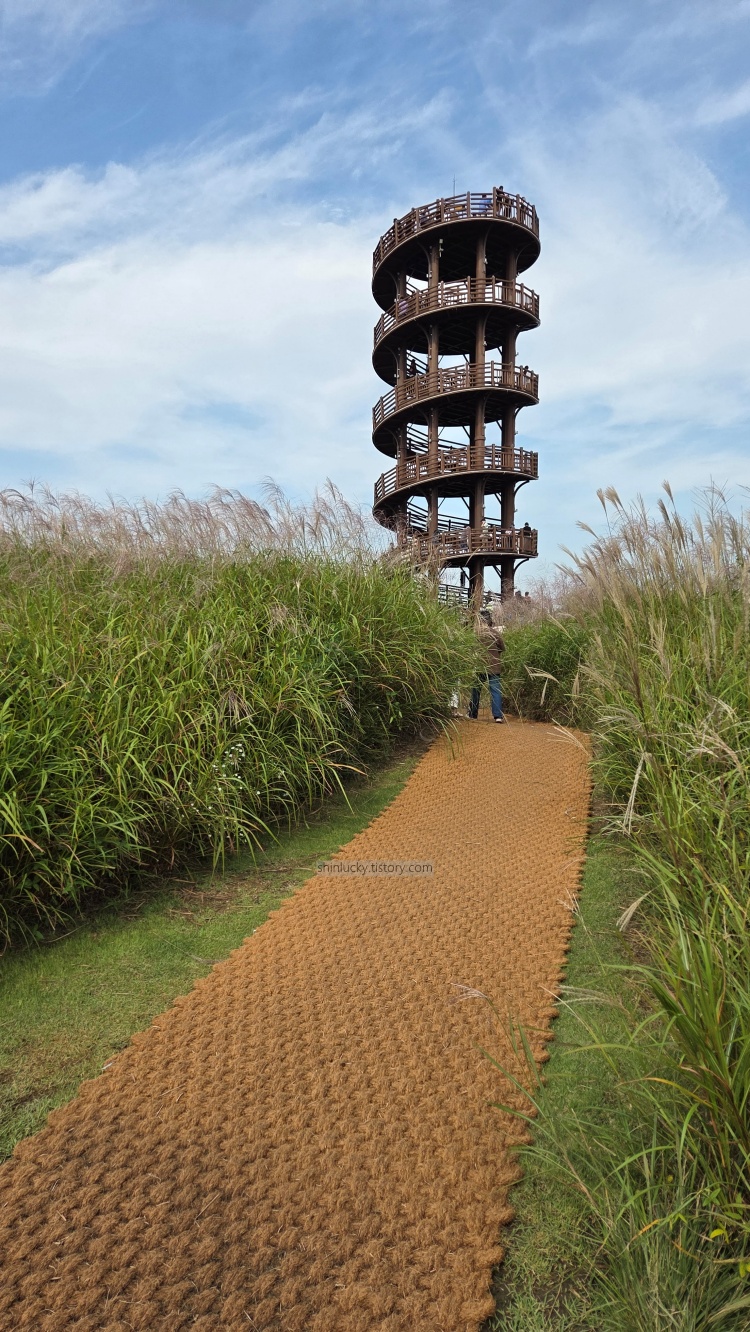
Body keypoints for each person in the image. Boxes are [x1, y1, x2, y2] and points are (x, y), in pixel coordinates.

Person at [467, 608, 506, 723]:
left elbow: (471, 648)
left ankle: (472, 714)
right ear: (490, 621)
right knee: (495, 691)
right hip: (495, 665)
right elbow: (502, 648)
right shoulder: (495, 633)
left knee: (476, 690)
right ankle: (498, 716)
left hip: (480, 666)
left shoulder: (476, 634)